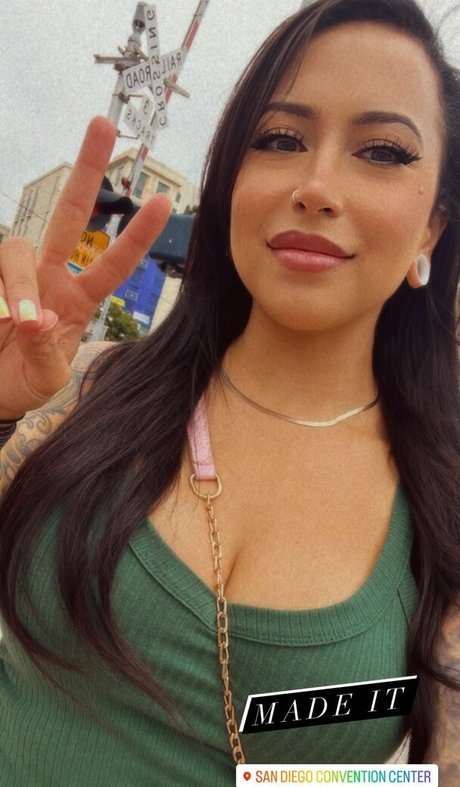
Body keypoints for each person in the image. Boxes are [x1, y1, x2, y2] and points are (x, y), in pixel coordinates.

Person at [0, 0, 459, 783]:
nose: (316, 186)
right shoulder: (85, 389)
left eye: (382, 151)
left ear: (432, 230)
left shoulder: (441, 504)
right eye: (280, 139)